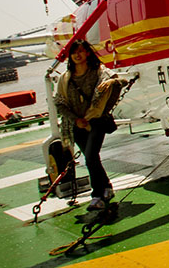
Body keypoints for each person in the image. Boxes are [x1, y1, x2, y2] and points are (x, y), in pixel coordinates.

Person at [54, 39, 124, 211]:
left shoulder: (99, 73)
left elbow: (116, 83)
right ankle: (107, 186)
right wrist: (75, 119)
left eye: (81, 51)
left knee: (91, 156)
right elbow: (60, 103)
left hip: (97, 121)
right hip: (76, 124)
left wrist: (102, 108)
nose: (77, 55)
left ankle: (97, 195)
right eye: (74, 52)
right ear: (70, 56)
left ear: (87, 53)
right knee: (92, 159)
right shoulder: (65, 79)